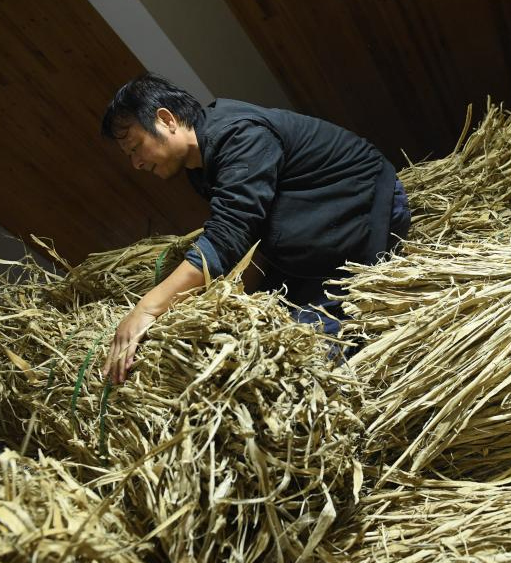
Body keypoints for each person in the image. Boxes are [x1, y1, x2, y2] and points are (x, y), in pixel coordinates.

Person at [99, 73, 410, 383]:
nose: (136, 164)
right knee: (254, 325)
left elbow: (228, 235)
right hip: (315, 223)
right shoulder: (201, 163)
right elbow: (249, 231)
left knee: (302, 354)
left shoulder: (238, 135)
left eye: (136, 147)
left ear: (166, 120)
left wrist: (147, 308)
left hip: (366, 206)